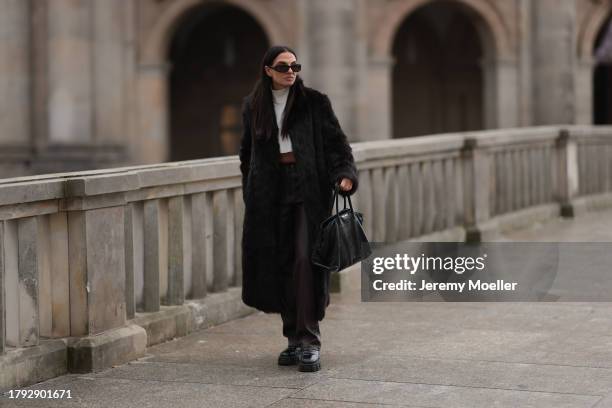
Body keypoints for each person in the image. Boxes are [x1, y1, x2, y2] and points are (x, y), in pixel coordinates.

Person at [239, 45, 358, 372]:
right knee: (282, 262)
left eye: (295, 66)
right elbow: (246, 154)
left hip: (308, 190)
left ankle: (309, 340)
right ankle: (292, 338)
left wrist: (345, 174)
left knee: (306, 260)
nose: (291, 71)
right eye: (283, 66)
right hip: (269, 195)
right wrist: (251, 190)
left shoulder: (315, 102)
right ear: (268, 70)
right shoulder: (254, 107)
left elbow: (338, 145)